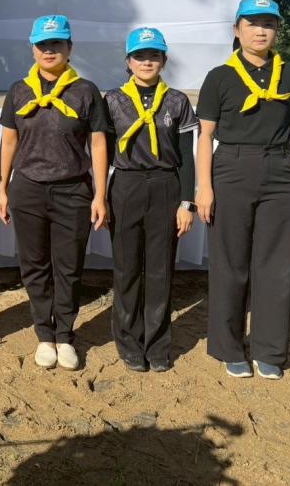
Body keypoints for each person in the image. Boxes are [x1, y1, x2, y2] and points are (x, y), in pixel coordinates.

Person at [195, 0, 290, 380]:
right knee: (230, 264)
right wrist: (204, 187)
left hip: (281, 171)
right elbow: (205, 136)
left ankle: (269, 350)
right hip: (231, 169)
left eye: (268, 23)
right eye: (252, 23)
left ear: (277, 30)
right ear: (237, 30)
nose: (260, 30)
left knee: (276, 266)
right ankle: (229, 347)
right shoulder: (219, 77)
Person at [0, 15, 109, 371]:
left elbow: (98, 143)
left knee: (69, 267)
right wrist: (2, 187)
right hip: (27, 189)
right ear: (33, 49)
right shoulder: (19, 91)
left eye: (57, 44)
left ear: (69, 48)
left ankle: (65, 335)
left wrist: (100, 194)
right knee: (34, 266)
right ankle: (44, 335)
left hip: (72, 190)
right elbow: (9, 141)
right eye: (43, 45)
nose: (49, 50)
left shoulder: (86, 91)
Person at [104, 27, 198, 373]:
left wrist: (186, 202)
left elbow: (186, 157)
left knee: (160, 270)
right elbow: (102, 151)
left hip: (165, 186)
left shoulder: (176, 101)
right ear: (128, 61)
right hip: (126, 186)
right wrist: (101, 196)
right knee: (127, 268)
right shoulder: (113, 100)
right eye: (140, 56)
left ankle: (157, 343)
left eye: (154, 55)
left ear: (164, 60)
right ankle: (129, 342)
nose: (147, 62)